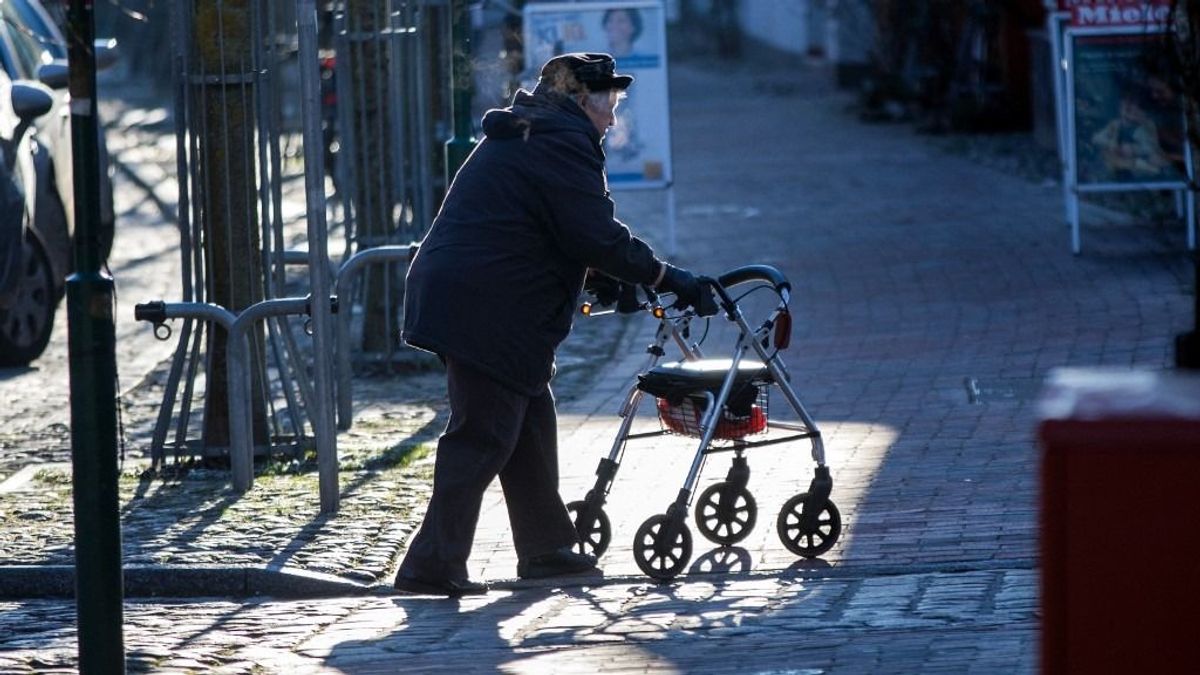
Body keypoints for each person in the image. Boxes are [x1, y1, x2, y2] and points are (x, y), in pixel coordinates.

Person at [393, 52, 710, 597]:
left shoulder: (535, 132)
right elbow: (594, 234)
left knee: (531, 420)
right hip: (486, 306)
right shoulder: (559, 140)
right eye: (609, 104)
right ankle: (430, 566)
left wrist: (604, 277)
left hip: (477, 297)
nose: (613, 118)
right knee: (482, 434)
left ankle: (546, 550)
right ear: (582, 100)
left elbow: (547, 226)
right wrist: (666, 276)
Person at [1090, 92, 1170, 181]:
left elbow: (1151, 147)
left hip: (1140, 169)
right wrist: (1112, 141)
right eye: (1124, 108)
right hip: (1119, 168)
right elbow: (1096, 139)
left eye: (1131, 108)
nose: (1127, 112)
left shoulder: (1146, 126)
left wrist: (1134, 149)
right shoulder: (1115, 124)